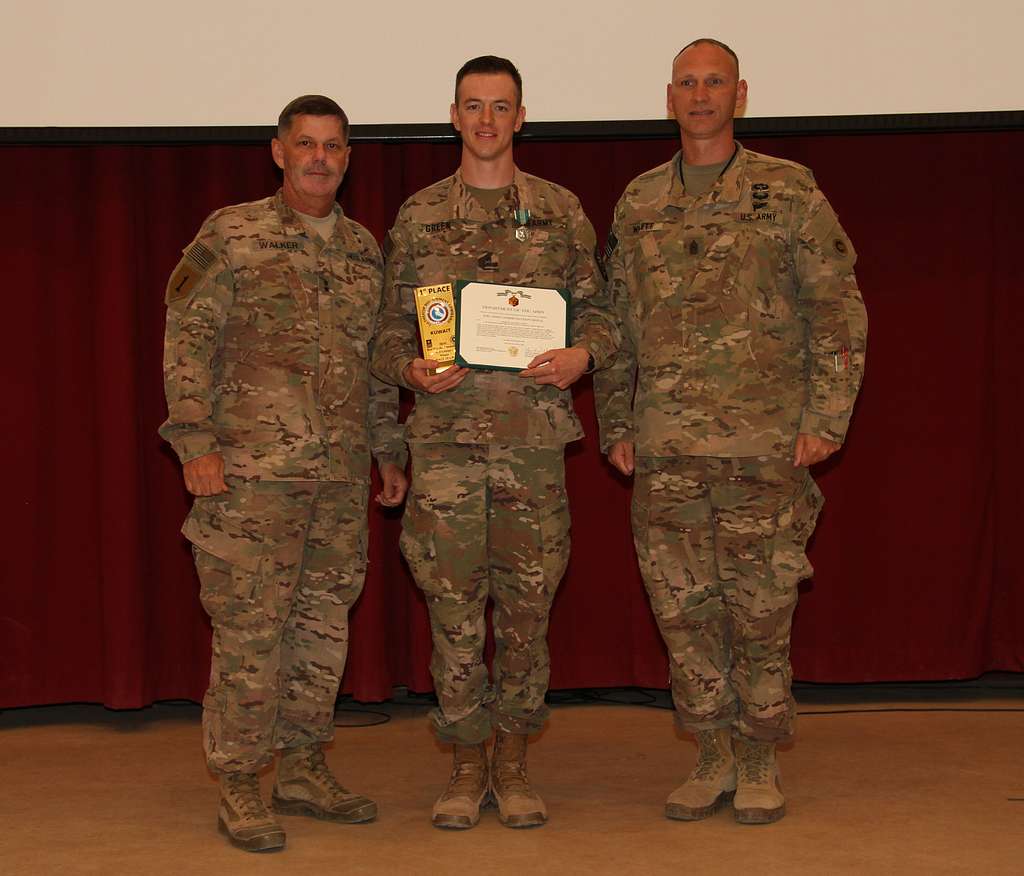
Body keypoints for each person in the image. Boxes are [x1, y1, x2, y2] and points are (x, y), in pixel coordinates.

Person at [595, 38, 867, 824]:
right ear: (669, 97)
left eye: (716, 82)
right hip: (666, 448)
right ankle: (709, 753)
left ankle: (758, 758)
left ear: (739, 95)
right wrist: (616, 421)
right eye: (688, 83)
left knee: (759, 608)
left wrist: (826, 418)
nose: (702, 95)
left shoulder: (788, 192)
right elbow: (615, 323)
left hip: (764, 444)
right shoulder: (640, 200)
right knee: (682, 611)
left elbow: (838, 308)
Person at [371, 56, 618, 830]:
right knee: (451, 614)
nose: (486, 120)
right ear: (453, 114)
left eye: (500, 106)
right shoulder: (417, 217)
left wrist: (583, 356)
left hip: (532, 448)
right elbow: (382, 335)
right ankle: (464, 761)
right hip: (443, 450)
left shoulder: (559, 211)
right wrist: (408, 366)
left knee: (524, 613)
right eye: (473, 106)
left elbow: (605, 318)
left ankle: (512, 762)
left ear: (520, 117)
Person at [159, 95, 408, 852]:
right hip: (249, 479)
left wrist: (387, 447)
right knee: (250, 632)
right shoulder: (232, 234)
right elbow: (187, 339)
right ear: (277, 151)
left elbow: (371, 368)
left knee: (321, 628)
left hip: (335, 480)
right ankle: (240, 778)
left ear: (348, 156)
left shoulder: (364, 250)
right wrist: (192, 440)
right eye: (306, 144)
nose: (319, 158)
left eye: (334, 146)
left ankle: (301, 767)